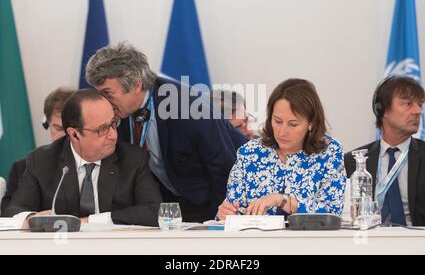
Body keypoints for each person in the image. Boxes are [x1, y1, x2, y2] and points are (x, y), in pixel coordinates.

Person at [85, 42, 247, 222]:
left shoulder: (187, 107)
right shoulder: (115, 113)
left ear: (136, 85)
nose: (103, 102)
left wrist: (218, 225)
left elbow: (225, 170)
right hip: (171, 205)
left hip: (215, 200)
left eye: (108, 93)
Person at [4, 89, 162, 226]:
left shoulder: (133, 158)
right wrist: (34, 219)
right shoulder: (42, 160)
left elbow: (155, 211)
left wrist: (89, 222)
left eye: (113, 123)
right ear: (74, 134)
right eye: (102, 129)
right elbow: (14, 212)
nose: (113, 135)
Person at [217, 78, 346, 220]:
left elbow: (332, 214)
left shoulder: (329, 152)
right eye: (278, 121)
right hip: (257, 241)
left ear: (311, 123)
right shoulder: (249, 152)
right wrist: (225, 214)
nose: (282, 132)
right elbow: (234, 212)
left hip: (310, 241)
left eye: (293, 124)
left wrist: (282, 200)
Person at [345, 76, 425, 226]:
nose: (417, 111)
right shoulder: (351, 162)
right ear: (383, 110)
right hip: (367, 245)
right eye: (408, 104)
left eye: (419, 104)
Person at [1, 86, 76, 215]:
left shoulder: (94, 164)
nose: (65, 136)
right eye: (58, 128)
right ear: (46, 123)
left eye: (69, 129)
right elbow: (8, 214)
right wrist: (33, 218)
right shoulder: (22, 168)